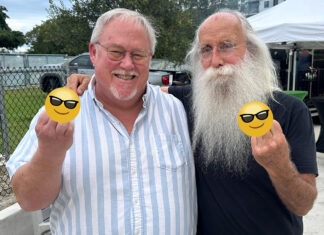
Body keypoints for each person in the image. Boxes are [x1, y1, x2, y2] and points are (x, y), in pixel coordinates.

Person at [68, 9, 319, 235]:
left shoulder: (290, 111)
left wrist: (278, 165)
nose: (216, 60)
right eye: (206, 50)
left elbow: (304, 203)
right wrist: (94, 80)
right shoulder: (188, 102)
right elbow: (133, 87)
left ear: (252, 51)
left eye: (227, 46)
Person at [6, 8, 197, 235]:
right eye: (116, 52)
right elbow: (29, 200)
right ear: (94, 53)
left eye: (138, 54)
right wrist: (49, 153)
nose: (127, 64)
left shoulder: (174, 110)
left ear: (150, 58)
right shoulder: (59, 115)